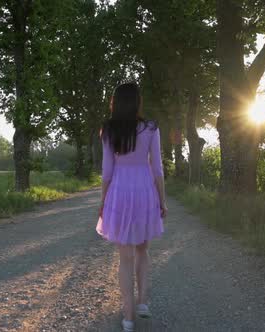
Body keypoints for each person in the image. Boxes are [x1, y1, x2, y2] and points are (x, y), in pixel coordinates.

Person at [96, 82, 167, 332]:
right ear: (138, 102)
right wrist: (162, 200)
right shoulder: (151, 128)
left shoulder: (108, 130)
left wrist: (103, 202)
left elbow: (107, 171)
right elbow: (157, 169)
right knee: (142, 251)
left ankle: (128, 318)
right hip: (145, 191)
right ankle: (143, 303)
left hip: (119, 192)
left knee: (124, 258)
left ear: (115, 102)